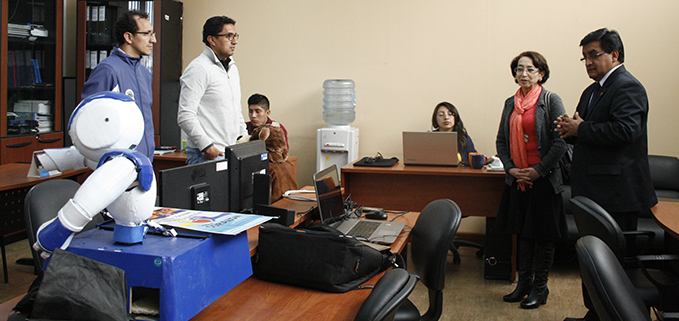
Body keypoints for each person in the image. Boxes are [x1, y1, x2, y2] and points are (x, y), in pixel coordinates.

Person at [556, 28, 657, 321]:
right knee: (593, 262)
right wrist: (570, 129)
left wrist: (581, 129)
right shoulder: (592, 90)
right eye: (584, 57)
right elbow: (585, 128)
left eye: (593, 55)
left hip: (617, 193)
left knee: (612, 266)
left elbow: (627, 131)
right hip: (592, 191)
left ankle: (613, 313)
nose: (587, 62)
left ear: (614, 55)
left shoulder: (628, 86)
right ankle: (596, 312)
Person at [495, 51, 568, 310]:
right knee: (523, 234)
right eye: (519, 69)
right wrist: (511, 169)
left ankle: (540, 288)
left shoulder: (550, 100)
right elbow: (501, 141)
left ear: (541, 74)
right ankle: (523, 284)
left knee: (543, 237)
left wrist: (538, 170)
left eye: (530, 69)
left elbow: (560, 142)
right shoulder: (509, 103)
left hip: (544, 179)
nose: (523, 74)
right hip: (518, 179)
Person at [81, 10, 156, 161]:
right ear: (128, 37)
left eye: (152, 34)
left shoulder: (144, 73)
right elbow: (87, 120)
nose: (153, 40)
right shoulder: (108, 70)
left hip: (144, 163)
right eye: (147, 34)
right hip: (117, 164)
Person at [178, 16, 247, 164]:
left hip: (232, 152)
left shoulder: (232, 68)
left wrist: (244, 139)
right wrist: (207, 146)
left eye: (235, 36)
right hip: (207, 154)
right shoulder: (198, 68)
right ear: (212, 39)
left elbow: (236, 110)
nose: (234, 41)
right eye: (228, 36)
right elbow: (185, 115)